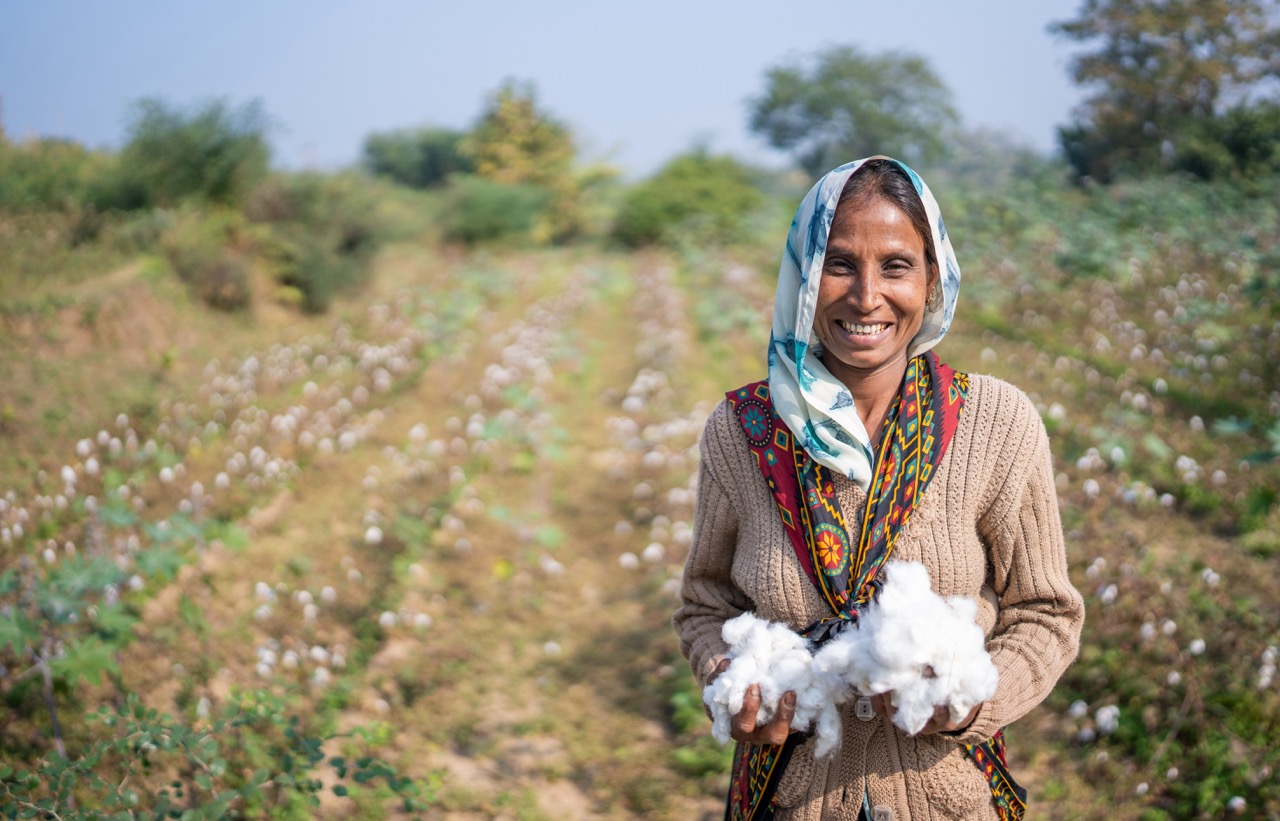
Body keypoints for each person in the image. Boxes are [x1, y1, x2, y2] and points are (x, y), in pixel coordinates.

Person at [673, 157, 1084, 821]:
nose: (866, 296)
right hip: (790, 799)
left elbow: (1046, 611)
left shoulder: (993, 422)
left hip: (946, 799)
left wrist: (974, 701)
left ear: (932, 278)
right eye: (839, 263)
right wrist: (729, 679)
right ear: (803, 275)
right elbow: (704, 603)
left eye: (895, 265)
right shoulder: (743, 433)